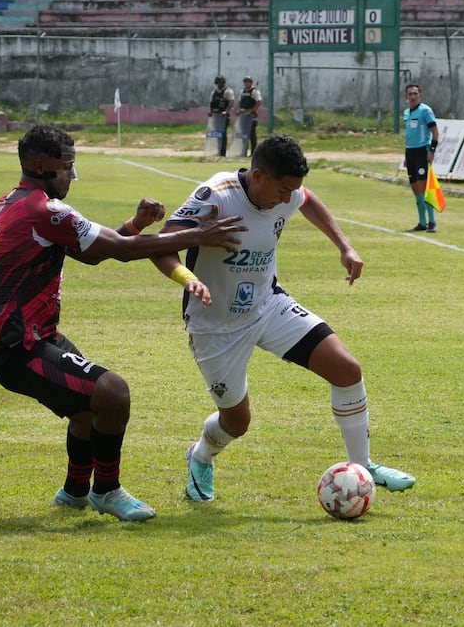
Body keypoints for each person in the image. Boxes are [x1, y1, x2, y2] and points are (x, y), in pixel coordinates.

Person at [0, 125, 244, 522]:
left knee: (89, 407)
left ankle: (73, 492)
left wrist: (135, 226)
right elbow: (118, 252)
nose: (72, 174)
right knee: (113, 392)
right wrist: (196, 235)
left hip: (30, 339)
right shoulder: (45, 210)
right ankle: (106, 490)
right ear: (40, 165)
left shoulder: (14, 203)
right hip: (21, 348)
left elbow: (93, 252)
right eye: (67, 166)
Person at [149, 134, 416, 504]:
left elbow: (308, 201)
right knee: (237, 423)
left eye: (295, 189)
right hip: (215, 325)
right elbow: (161, 243)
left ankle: (362, 467)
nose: (289, 198)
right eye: (284, 189)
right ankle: (201, 456)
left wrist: (345, 245)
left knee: (346, 369)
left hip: (267, 306)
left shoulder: (288, 194)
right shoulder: (216, 195)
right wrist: (189, 277)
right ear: (258, 176)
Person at [403, 83, 440, 233]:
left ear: (420, 95)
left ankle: (432, 221)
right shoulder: (406, 113)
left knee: (424, 186)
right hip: (410, 152)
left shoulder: (426, 111)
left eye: (415, 93)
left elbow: (435, 132)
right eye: (410, 94)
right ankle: (422, 222)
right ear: (406, 97)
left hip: (421, 151)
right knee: (415, 187)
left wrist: (431, 151)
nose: (412, 96)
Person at [208, 76, 235, 156]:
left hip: (223, 117)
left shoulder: (228, 91)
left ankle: (223, 152)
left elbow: (231, 101)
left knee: (223, 133)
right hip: (215, 116)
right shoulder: (214, 92)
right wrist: (210, 111)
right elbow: (211, 102)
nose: (219, 84)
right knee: (216, 134)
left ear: (223, 83)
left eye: (220, 83)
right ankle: (218, 150)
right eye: (218, 83)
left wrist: (226, 111)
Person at [238, 76, 263, 156]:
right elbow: (240, 102)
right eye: (245, 82)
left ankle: (253, 153)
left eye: (248, 82)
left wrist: (251, 111)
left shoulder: (255, 91)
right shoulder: (242, 91)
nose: (246, 83)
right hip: (243, 116)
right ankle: (244, 152)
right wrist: (239, 110)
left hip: (251, 116)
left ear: (251, 83)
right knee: (244, 135)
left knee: (252, 135)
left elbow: (259, 102)